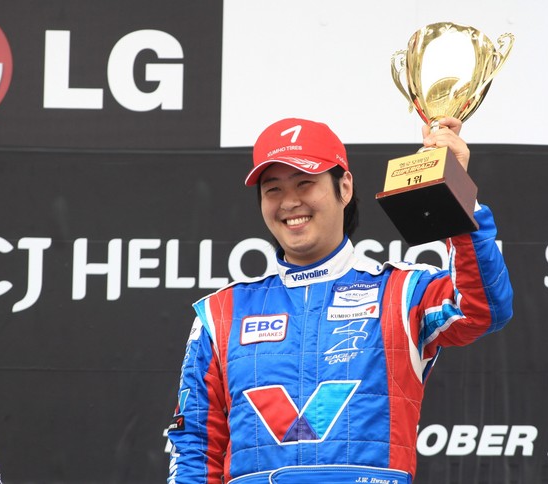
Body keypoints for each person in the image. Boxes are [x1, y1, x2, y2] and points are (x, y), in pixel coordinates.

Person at [167, 117, 513, 484]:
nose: (290, 202)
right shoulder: (221, 313)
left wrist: (456, 193)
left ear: (344, 187)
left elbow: (483, 309)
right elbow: (195, 447)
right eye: (273, 189)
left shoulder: (404, 291)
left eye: (305, 183)